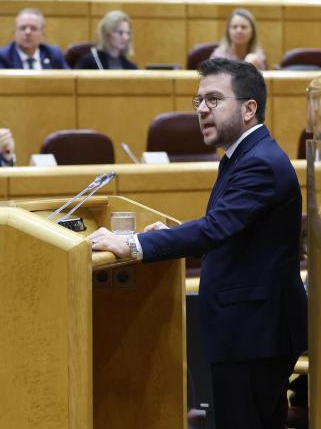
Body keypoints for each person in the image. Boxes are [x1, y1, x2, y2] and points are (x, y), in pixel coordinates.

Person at [88, 58, 307, 429]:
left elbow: (215, 228)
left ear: (249, 109)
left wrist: (134, 245)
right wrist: (166, 235)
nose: (202, 109)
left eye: (214, 99)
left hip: (254, 333)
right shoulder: (245, 157)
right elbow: (232, 232)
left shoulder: (260, 163)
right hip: (252, 331)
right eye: (199, 100)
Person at [0, 8, 68, 69]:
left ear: (42, 34)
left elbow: (69, 82)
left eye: (33, 28)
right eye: (23, 28)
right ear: (15, 33)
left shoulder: (53, 54)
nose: (28, 32)